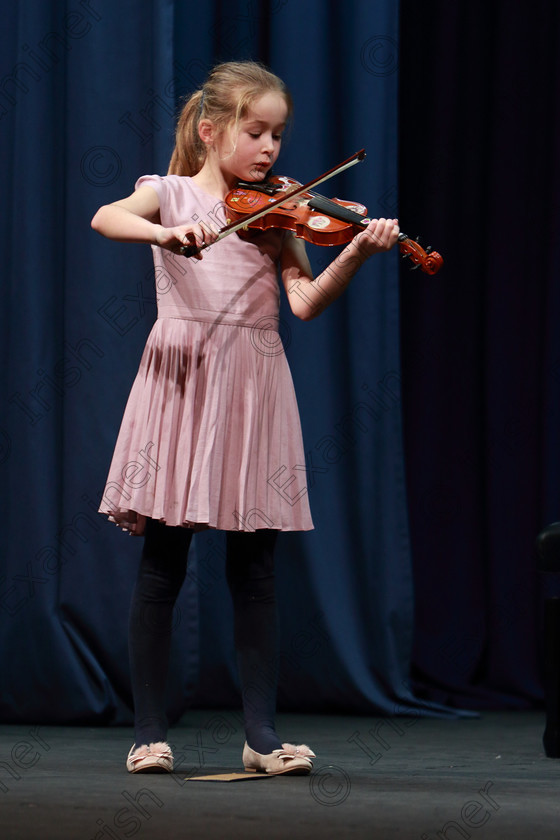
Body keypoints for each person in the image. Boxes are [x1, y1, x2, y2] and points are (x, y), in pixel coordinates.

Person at [91, 60, 399, 776]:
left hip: (254, 381)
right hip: (185, 375)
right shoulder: (165, 194)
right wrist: (164, 237)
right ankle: (147, 734)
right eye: (254, 131)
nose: (269, 149)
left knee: (256, 568)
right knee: (164, 560)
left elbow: (303, 302)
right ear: (210, 130)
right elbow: (106, 218)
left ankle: (260, 738)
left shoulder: (281, 206)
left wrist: (353, 249)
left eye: (278, 136)